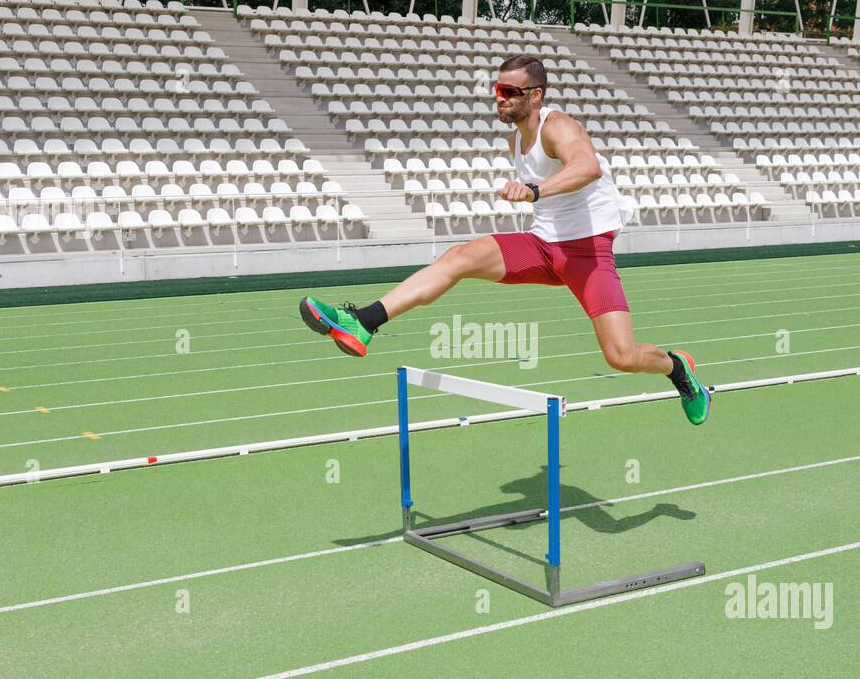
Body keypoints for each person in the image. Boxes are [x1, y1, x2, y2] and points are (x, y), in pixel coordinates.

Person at [299, 54, 710, 425]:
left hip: (587, 253)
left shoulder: (559, 126)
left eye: (508, 91)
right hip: (541, 246)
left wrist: (534, 191)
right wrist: (535, 196)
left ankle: (678, 369)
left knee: (621, 357)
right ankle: (364, 321)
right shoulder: (514, 139)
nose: (499, 98)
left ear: (536, 95)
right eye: (496, 90)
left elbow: (587, 167)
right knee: (460, 256)